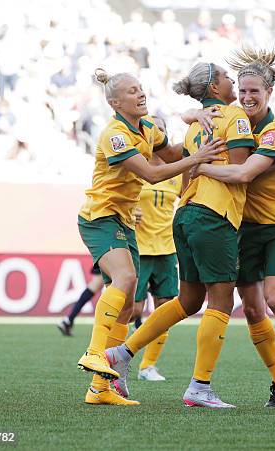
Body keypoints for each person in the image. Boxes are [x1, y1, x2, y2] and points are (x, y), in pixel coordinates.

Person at [105, 62, 256, 408]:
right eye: (227, 78)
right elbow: (241, 170)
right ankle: (199, 387)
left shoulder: (195, 127)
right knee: (221, 300)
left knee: (188, 301)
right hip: (214, 215)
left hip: (185, 215)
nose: (233, 82)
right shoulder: (234, 117)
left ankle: (122, 352)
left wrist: (189, 127)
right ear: (216, 88)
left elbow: (180, 158)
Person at [76, 68, 225, 406]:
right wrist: (200, 159)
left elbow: (173, 155)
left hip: (123, 219)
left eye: (141, 88)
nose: (141, 94)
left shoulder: (146, 128)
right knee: (126, 278)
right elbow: (154, 174)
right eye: (132, 91)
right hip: (99, 216)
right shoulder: (115, 135)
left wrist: (197, 128)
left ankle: (100, 389)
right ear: (115, 102)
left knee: (128, 305)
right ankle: (94, 351)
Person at [191, 47, 275, 406]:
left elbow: (245, 172)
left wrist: (197, 166)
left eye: (255, 92)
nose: (247, 98)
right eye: (243, 91)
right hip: (243, 228)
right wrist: (194, 112)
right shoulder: (232, 116)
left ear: (269, 95)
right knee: (250, 309)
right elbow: (194, 114)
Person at [131, 116, 181, 383]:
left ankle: (147, 366)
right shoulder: (135, 166)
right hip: (138, 248)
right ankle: (120, 352)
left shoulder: (177, 171)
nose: (155, 132)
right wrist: (129, 211)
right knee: (133, 310)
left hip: (167, 248)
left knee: (165, 309)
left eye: (160, 129)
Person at [57, 267, 104, 337]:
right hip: (112, 259)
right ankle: (107, 327)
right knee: (110, 286)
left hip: (105, 259)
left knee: (95, 286)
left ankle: (68, 320)